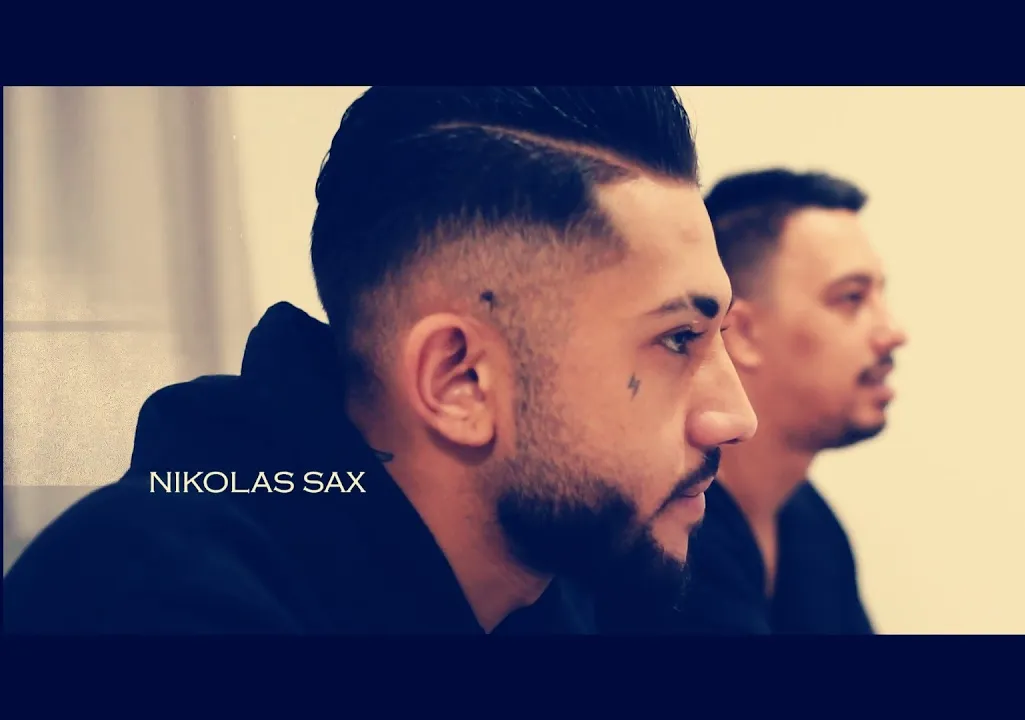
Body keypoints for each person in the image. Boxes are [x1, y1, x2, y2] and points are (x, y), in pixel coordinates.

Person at [2, 86, 757, 634]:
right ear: (459, 381)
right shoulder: (147, 614)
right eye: (678, 339)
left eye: (717, 333)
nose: (736, 416)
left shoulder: (575, 581)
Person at [596, 168, 907, 634]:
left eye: (881, 295)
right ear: (741, 332)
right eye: (851, 298)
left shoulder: (811, 527)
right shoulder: (664, 537)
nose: (892, 332)